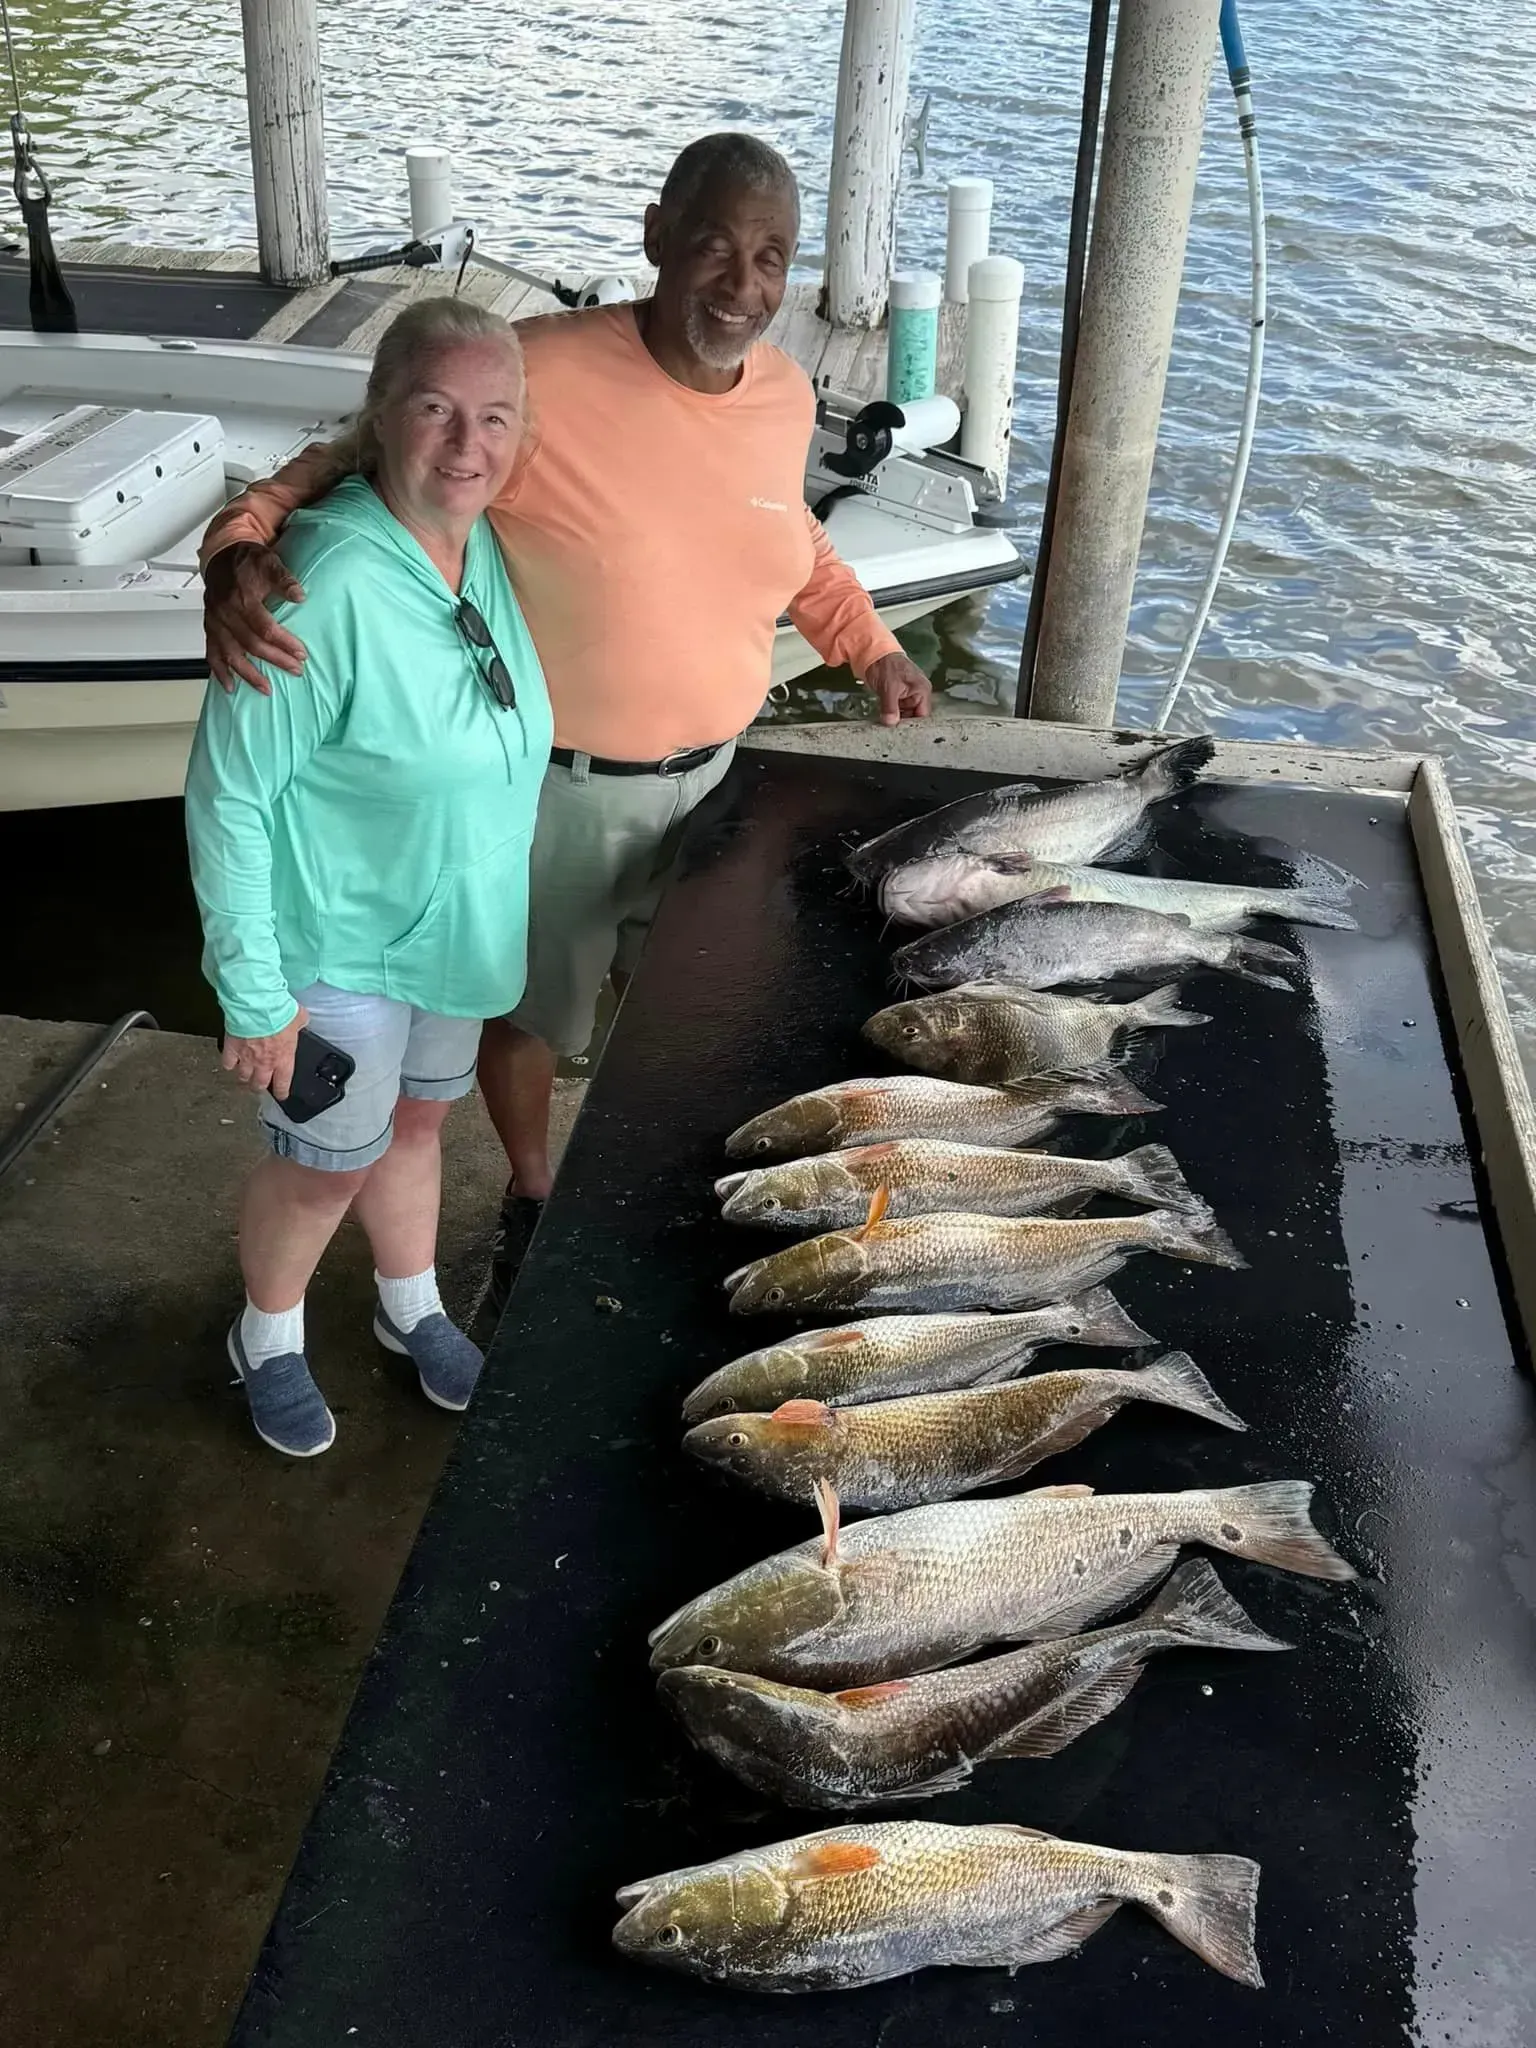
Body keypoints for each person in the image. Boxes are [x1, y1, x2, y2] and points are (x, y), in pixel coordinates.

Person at [199, 132, 931, 1299]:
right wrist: (239, 543)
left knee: (694, 998)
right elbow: (358, 446)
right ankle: (535, 1190)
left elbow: (791, 535)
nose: (742, 286)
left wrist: (872, 642)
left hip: (718, 780)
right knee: (533, 1013)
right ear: (654, 238)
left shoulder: (788, 391)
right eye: (712, 248)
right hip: (561, 787)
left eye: (771, 258)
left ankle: (655, 1180)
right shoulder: (543, 371)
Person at [185, 298, 553, 1457]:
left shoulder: (477, 538)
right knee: (322, 1166)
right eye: (436, 409)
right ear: (383, 417)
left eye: (493, 416)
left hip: (450, 934)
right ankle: (270, 1332)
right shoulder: (320, 580)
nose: (466, 443)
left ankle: (412, 1307)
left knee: (418, 1125)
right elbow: (229, 794)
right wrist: (255, 992)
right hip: (339, 948)